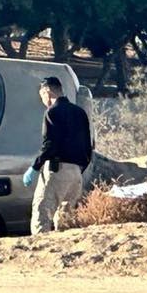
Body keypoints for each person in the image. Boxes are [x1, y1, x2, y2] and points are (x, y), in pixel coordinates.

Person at [23, 75, 93, 234]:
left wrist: (35, 167)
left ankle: (40, 251)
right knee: (66, 217)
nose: (42, 101)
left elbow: (50, 144)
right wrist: (80, 168)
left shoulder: (52, 112)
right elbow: (88, 146)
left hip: (57, 169)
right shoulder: (79, 112)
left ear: (47, 92)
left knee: (42, 212)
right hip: (76, 173)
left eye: (42, 96)